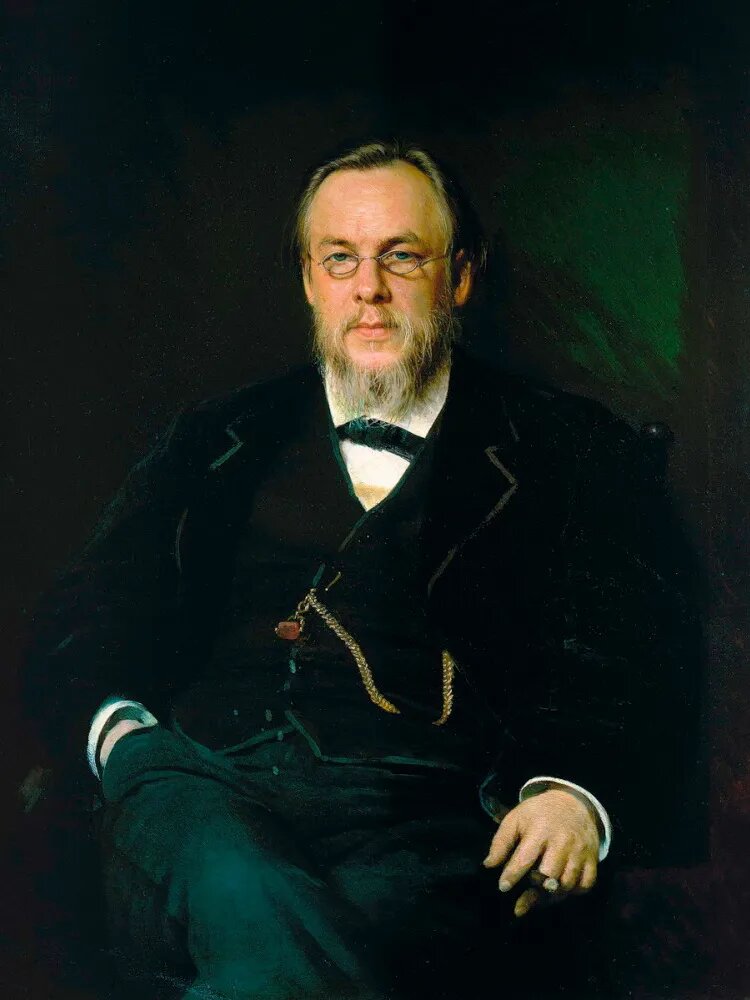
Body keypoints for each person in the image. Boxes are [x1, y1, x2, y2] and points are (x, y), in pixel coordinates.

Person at [24, 141, 703, 999]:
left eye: (402, 256)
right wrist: (124, 739)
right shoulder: (214, 437)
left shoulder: (572, 449)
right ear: (310, 282)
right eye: (340, 259)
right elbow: (83, 614)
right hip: (194, 783)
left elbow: (631, 661)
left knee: (287, 930)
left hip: (424, 820)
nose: (369, 289)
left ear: (461, 277)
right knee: (228, 870)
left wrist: (571, 793)